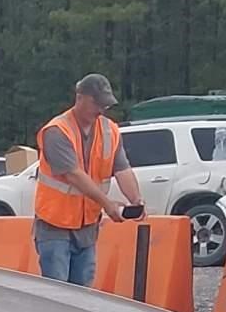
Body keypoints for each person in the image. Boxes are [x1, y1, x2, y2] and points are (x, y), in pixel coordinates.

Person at [33, 73, 144, 286]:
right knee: (58, 294)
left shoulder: (109, 130)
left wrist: (136, 199)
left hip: (87, 228)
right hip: (55, 226)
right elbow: (73, 174)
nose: (101, 110)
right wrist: (108, 205)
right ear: (80, 97)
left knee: (83, 296)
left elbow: (122, 169)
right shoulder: (57, 131)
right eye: (97, 104)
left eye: (105, 105)